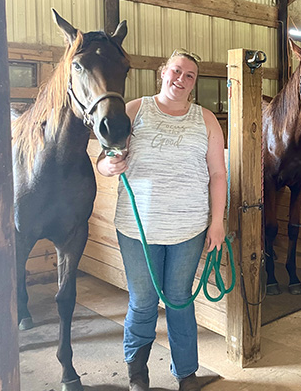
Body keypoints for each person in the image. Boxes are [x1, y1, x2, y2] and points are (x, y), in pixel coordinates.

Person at [96, 49, 226, 391]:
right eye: (177, 71)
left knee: (180, 300)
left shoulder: (206, 119)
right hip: (137, 228)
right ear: (163, 72)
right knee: (143, 301)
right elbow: (107, 155)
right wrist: (107, 166)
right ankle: (137, 371)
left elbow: (217, 174)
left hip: (189, 228)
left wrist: (217, 221)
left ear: (194, 84)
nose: (181, 80)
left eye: (189, 76)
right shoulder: (136, 110)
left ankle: (186, 373)